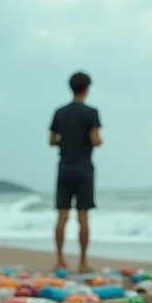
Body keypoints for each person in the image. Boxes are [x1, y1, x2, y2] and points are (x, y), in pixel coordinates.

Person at [49, 71, 102, 273]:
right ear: (87, 89)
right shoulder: (91, 112)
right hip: (84, 169)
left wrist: (67, 140)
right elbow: (95, 140)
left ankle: (60, 260)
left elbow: (51, 140)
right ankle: (82, 262)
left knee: (62, 216)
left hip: (64, 168)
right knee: (83, 217)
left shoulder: (59, 112)